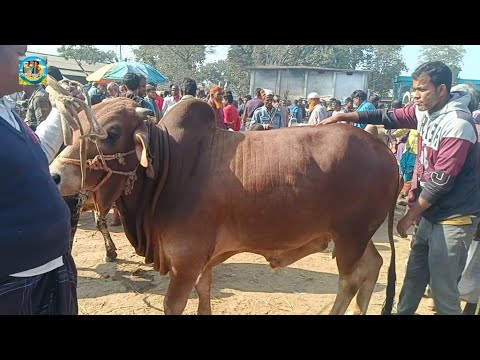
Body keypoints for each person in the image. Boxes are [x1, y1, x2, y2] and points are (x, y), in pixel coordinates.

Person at [320, 61, 480, 315]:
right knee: (413, 281)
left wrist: (408, 216)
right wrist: (344, 116)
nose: (415, 95)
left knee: (443, 292)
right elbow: (388, 117)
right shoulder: (424, 112)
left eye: (422, 89)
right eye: (415, 88)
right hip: (430, 214)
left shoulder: (458, 124)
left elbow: (441, 180)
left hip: (453, 218)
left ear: (441, 89)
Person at [0, 45, 77, 315]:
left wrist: (61, 109)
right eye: (20, 54)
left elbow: (36, 153)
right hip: (12, 280)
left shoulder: (8, 113)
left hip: (50, 267)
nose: (28, 64)